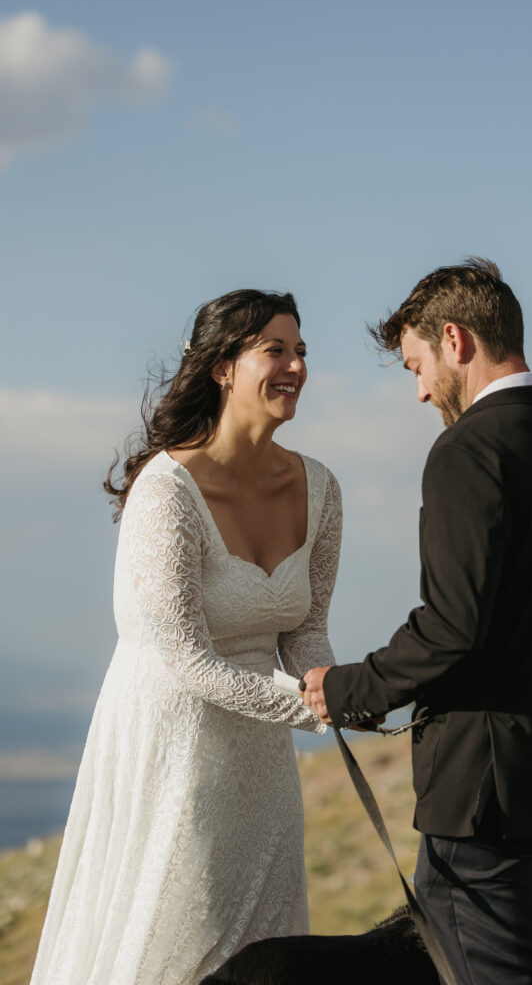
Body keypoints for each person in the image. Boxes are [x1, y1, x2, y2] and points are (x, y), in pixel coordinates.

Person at [301, 258, 532, 985]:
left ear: (454, 340)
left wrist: (346, 688)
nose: (418, 390)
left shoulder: (467, 451)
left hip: (486, 795)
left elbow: (453, 626)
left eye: (416, 366)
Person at [31, 290, 341, 985]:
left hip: (263, 769)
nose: (295, 366)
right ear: (223, 368)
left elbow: (307, 629)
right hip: (175, 748)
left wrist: (336, 685)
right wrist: (315, 705)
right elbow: (184, 659)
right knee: (176, 941)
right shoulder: (165, 490)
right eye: (275, 350)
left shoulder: (319, 487)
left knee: (266, 956)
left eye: (301, 352)